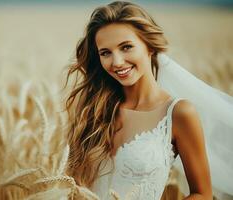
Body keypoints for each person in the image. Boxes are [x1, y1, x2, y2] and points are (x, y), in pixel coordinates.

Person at [64, 1, 233, 199]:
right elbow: (72, 185)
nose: (117, 62)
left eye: (126, 47)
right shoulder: (91, 109)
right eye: (105, 53)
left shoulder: (179, 113)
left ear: (150, 47)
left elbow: (202, 194)